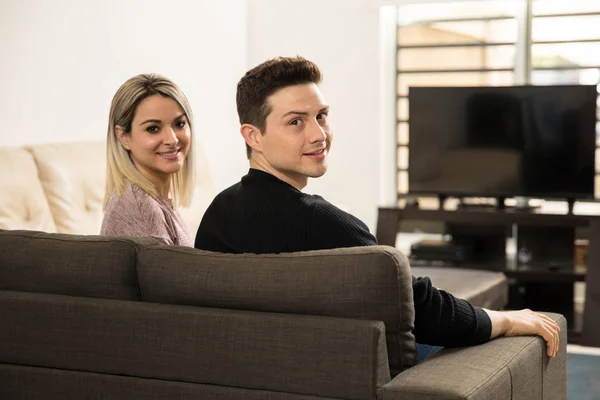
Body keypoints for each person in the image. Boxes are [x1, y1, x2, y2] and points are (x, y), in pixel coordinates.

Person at [194, 56, 560, 358]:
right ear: (253, 135)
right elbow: (420, 307)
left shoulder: (218, 214)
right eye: (296, 122)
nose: (319, 135)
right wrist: (507, 321)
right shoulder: (325, 224)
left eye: (321, 115)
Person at [101, 74, 195, 246]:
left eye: (179, 124)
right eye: (153, 128)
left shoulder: (156, 200)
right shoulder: (140, 209)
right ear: (123, 137)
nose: (172, 139)